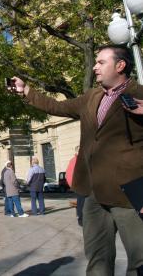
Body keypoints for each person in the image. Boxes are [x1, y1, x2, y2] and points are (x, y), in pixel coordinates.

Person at [9, 45, 143, 275]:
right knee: (97, 259)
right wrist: (25, 90)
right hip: (93, 193)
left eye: (101, 62)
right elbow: (57, 106)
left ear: (120, 66)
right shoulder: (92, 96)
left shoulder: (140, 94)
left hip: (129, 193)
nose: (95, 67)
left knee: (140, 262)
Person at [66, 146, 85, 226]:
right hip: (81, 184)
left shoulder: (72, 160)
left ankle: (80, 218)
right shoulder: (80, 160)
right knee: (82, 202)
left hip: (76, 185)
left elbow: (67, 174)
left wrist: (71, 184)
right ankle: (81, 219)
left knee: (80, 202)